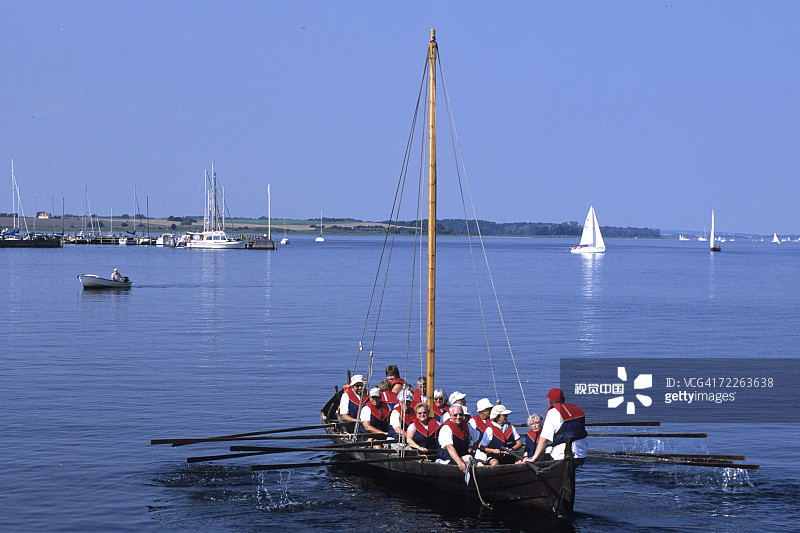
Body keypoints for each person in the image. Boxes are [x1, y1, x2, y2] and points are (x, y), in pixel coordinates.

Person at [530, 388, 588, 464]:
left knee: (543, 457)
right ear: (563, 399)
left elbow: (544, 438)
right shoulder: (577, 409)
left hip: (562, 455)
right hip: (581, 453)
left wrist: (534, 458)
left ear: (549, 400)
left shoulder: (553, 412)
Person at [436, 403, 477, 472]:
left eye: (460, 414)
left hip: (463, 457)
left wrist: (473, 451)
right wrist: (459, 462)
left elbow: (477, 437)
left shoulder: (466, 425)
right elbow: (449, 447)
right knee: (468, 459)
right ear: (450, 415)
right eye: (455, 415)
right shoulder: (446, 428)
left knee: (479, 462)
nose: (458, 417)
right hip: (446, 461)